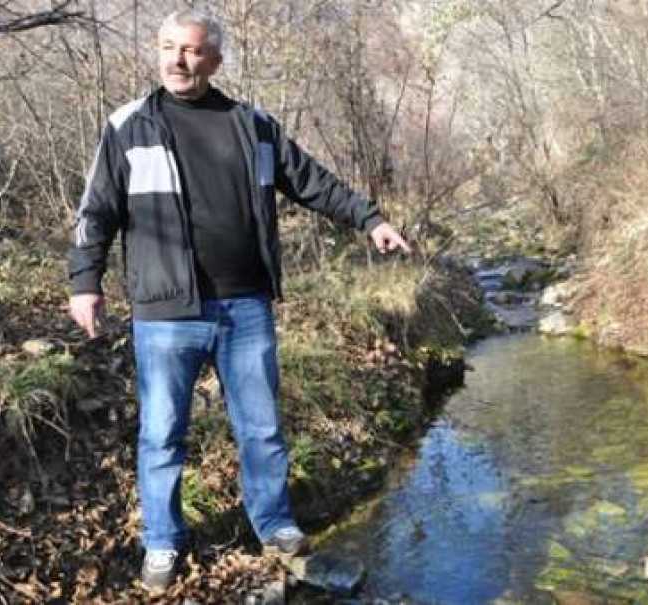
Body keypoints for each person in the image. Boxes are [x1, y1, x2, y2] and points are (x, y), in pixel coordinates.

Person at [67, 9, 410, 592]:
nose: (178, 59)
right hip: (165, 311)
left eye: (192, 50)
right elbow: (96, 211)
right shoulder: (129, 125)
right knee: (161, 434)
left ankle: (274, 526)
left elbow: (311, 180)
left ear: (215, 60)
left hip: (245, 307)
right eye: (169, 48)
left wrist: (369, 219)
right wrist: (85, 282)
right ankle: (162, 542)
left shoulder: (252, 125)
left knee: (261, 428)